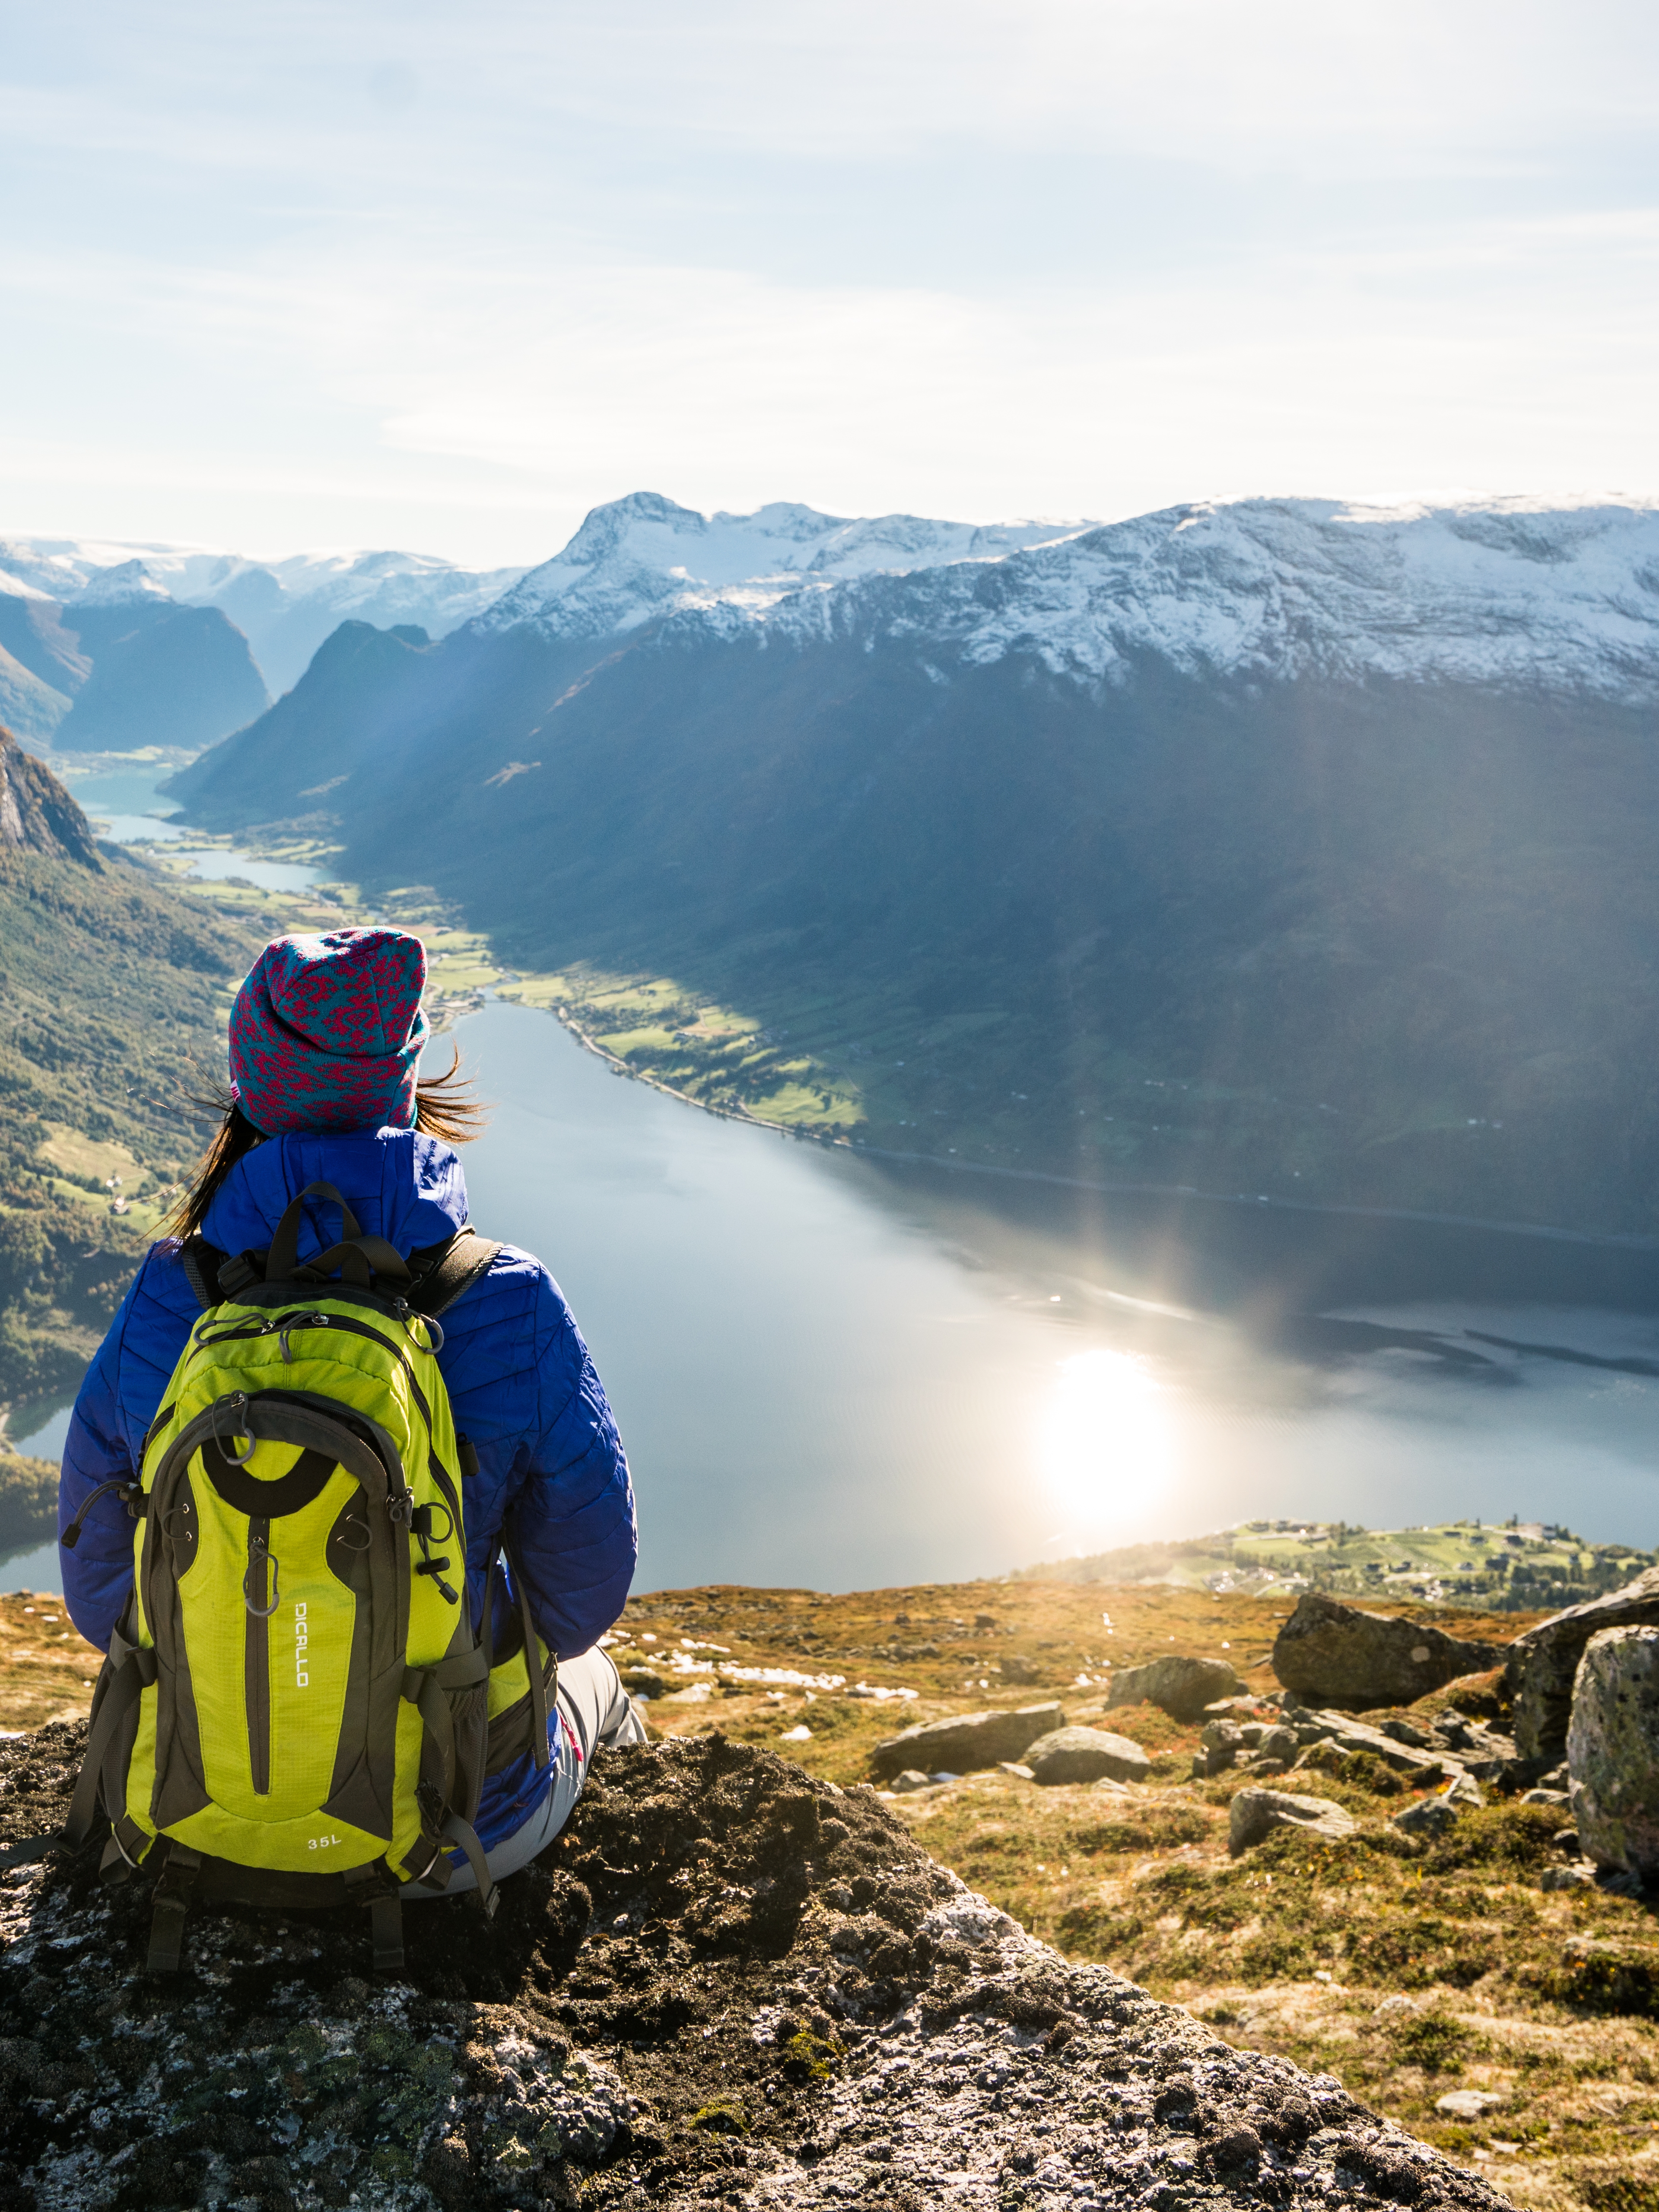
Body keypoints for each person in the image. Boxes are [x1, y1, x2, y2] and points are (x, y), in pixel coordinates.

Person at [57, 925, 645, 1894]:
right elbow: (582, 1599)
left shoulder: (173, 1294)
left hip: (182, 1812)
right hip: (450, 1834)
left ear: (250, 1084)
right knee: (600, 1682)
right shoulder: (507, 1300)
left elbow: (97, 1596)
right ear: (404, 1079)